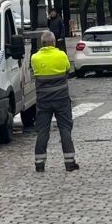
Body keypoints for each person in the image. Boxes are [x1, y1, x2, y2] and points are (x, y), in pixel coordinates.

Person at [29, 30, 78, 172]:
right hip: (61, 99)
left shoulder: (35, 58)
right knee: (65, 128)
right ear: (54, 42)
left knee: (42, 131)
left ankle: (39, 163)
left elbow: (34, 73)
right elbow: (67, 70)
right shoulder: (62, 55)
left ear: (41, 43)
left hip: (43, 101)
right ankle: (70, 162)